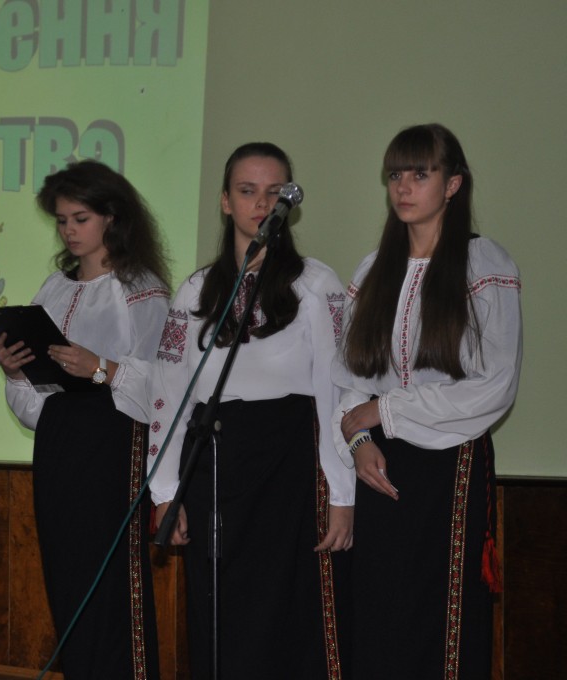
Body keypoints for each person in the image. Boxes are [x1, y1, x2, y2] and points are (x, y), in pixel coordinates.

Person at [148, 142, 355, 679]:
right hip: (215, 465)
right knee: (219, 615)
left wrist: (341, 493)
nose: (261, 204)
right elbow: (168, 394)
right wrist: (166, 492)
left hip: (290, 469)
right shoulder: (195, 291)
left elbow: (337, 393)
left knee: (286, 617)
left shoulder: (316, 284)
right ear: (225, 201)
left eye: (274, 193)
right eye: (247, 191)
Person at [333, 123, 522, 679]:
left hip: (448, 462)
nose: (403, 186)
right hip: (378, 464)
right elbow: (349, 376)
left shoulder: (482, 263)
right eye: (395, 174)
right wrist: (359, 439)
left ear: (453, 184)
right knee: (378, 611)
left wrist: (386, 411)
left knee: (439, 618)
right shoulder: (374, 269)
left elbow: (496, 383)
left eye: (420, 173)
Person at [0, 160, 169, 679]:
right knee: (67, 576)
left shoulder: (141, 290)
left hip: (111, 443)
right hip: (59, 442)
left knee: (110, 581)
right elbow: (36, 403)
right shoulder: (54, 287)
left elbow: (163, 387)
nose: (69, 231)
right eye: (61, 221)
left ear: (111, 217)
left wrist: (99, 368)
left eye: (80, 219)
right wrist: (17, 371)